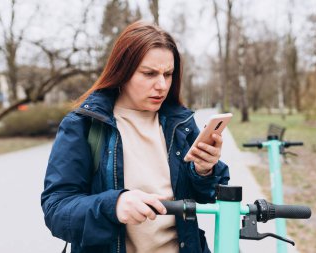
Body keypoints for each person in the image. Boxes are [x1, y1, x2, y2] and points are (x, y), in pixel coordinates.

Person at [41, 20, 229, 253]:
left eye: (168, 74)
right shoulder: (83, 125)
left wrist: (204, 171)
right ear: (122, 71)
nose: (161, 85)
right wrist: (114, 205)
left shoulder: (180, 124)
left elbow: (209, 195)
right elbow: (56, 210)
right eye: (149, 74)